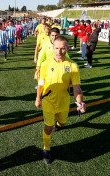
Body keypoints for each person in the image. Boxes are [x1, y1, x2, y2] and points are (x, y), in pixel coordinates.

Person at [35, 36, 86, 164]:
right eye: (57, 48)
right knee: (48, 127)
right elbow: (40, 83)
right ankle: (46, 149)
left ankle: (58, 125)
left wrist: (79, 102)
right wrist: (37, 99)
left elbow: (77, 88)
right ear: (53, 48)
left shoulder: (73, 66)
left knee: (62, 123)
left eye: (63, 48)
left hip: (64, 101)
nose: (59, 51)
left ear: (67, 48)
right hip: (48, 100)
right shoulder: (46, 64)